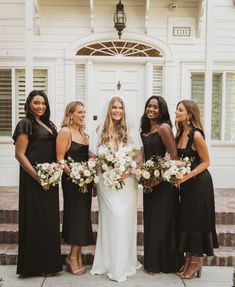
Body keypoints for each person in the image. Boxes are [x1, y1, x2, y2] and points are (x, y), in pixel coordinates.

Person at [90, 96, 142, 282]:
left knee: (122, 218)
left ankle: (123, 263)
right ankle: (107, 261)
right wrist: (104, 172)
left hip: (127, 184)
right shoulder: (98, 131)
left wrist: (124, 174)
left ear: (124, 110)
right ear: (109, 110)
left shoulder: (132, 132)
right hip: (106, 183)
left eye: (120, 107)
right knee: (111, 219)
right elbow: (93, 157)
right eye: (114, 107)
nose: (117, 111)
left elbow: (138, 159)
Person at [12, 90, 62, 276]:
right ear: (29, 104)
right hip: (34, 179)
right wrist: (37, 176)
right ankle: (33, 266)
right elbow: (19, 154)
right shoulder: (25, 124)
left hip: (50, 179)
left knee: (48, 220)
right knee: (35, 219)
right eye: (36, 103)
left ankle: (49, 265)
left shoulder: (48, 124)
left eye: (43, 103)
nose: (40, 106)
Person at [174, 100, 218, 279]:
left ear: (189, 114)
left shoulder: (196, 135)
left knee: (197, 221)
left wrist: (187, 176)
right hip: (187, 186)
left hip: (200, 185)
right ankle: (189, 259)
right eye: (177, 109)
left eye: (180, 110)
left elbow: (206, 161)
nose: (176, 112)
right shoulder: (180, 133)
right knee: (188, 221)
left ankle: (196, 261)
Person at [140, 96, 183, 274]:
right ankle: (152, 262)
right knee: (151, 222)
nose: (151, 109)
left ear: (161, 110)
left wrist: (158, 175)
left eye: (155, 107)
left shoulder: (164, 128)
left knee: (162, 223)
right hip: (150, 183)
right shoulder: (146, 129)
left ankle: (163, 264)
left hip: (164, 184)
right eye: (149, 106)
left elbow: (174, 157)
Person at [56, 101, 94, 276]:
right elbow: (60, 159)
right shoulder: (65, 131)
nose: (83, 115)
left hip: (85, 181)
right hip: (72, 182)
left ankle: (76, 255)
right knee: (76, 217)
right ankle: (72, 257)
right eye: (80, 112)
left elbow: (87, 158)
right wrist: (74, 175)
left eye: (84, 112)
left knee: (83, 217)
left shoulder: (83, 134)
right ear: (70, 113)